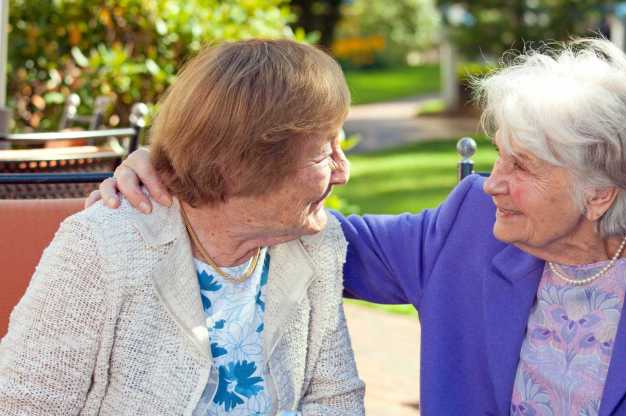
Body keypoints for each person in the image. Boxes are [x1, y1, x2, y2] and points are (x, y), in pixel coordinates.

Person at [93, 38, 626, 415]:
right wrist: (181, 168)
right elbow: (313, 235)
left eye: (523, 166)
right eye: (498, 154)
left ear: (600, 196)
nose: (492, 182)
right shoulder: (470, 224)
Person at [0, 39, 364, 415]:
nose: (343, 171)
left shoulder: (317, 244)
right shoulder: (103, 246)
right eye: (324, 150)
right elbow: (23, 406)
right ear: (242, 164)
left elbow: (337, 400)